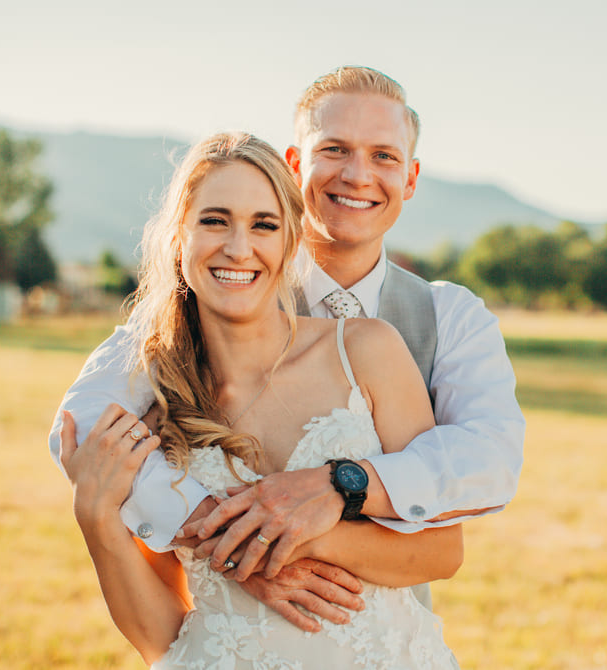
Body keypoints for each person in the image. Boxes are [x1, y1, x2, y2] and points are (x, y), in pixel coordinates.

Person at [49, 66, 525, 631]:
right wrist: (226, 537)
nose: (357, 175)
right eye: (335, 149)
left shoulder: (451, 317)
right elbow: (77, 427)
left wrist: (341, 486)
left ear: (412, 178)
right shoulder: (225, 285)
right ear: (295, 165)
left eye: (384, 157)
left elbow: (491, 457)